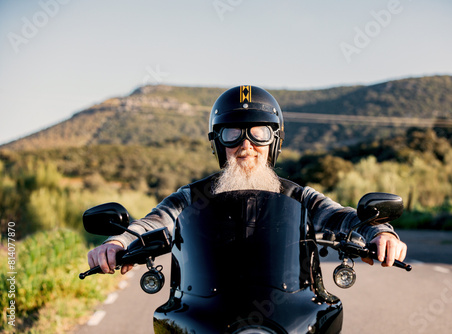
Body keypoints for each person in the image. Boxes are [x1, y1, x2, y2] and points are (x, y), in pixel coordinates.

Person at [87, 85, 407, 275]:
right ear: (218, 143)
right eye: (232, 133)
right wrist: (118, 242)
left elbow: (341, 216)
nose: (246, 145)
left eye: (258, 133)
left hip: (288, 303)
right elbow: (153, 222)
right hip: (205, 305)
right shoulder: (192, 196)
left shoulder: (298, 195)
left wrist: (379, 232)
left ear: (274, 141)